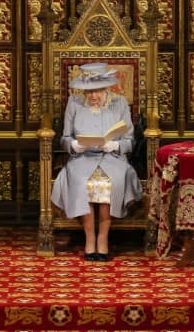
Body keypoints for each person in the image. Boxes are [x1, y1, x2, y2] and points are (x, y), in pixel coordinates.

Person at [50, 62, 142, 261]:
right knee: (83, 182)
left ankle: (103, 238)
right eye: (89, 91)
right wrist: (73, 145)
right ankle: (89, 238)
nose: (93, 96)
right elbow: (65, 138)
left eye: (98, 91)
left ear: (107, 87)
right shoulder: (74, 104)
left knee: (108, 183)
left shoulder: (120, 104)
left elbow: (130, 141)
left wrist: (116, 146)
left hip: (113, 159)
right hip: (82, 159)